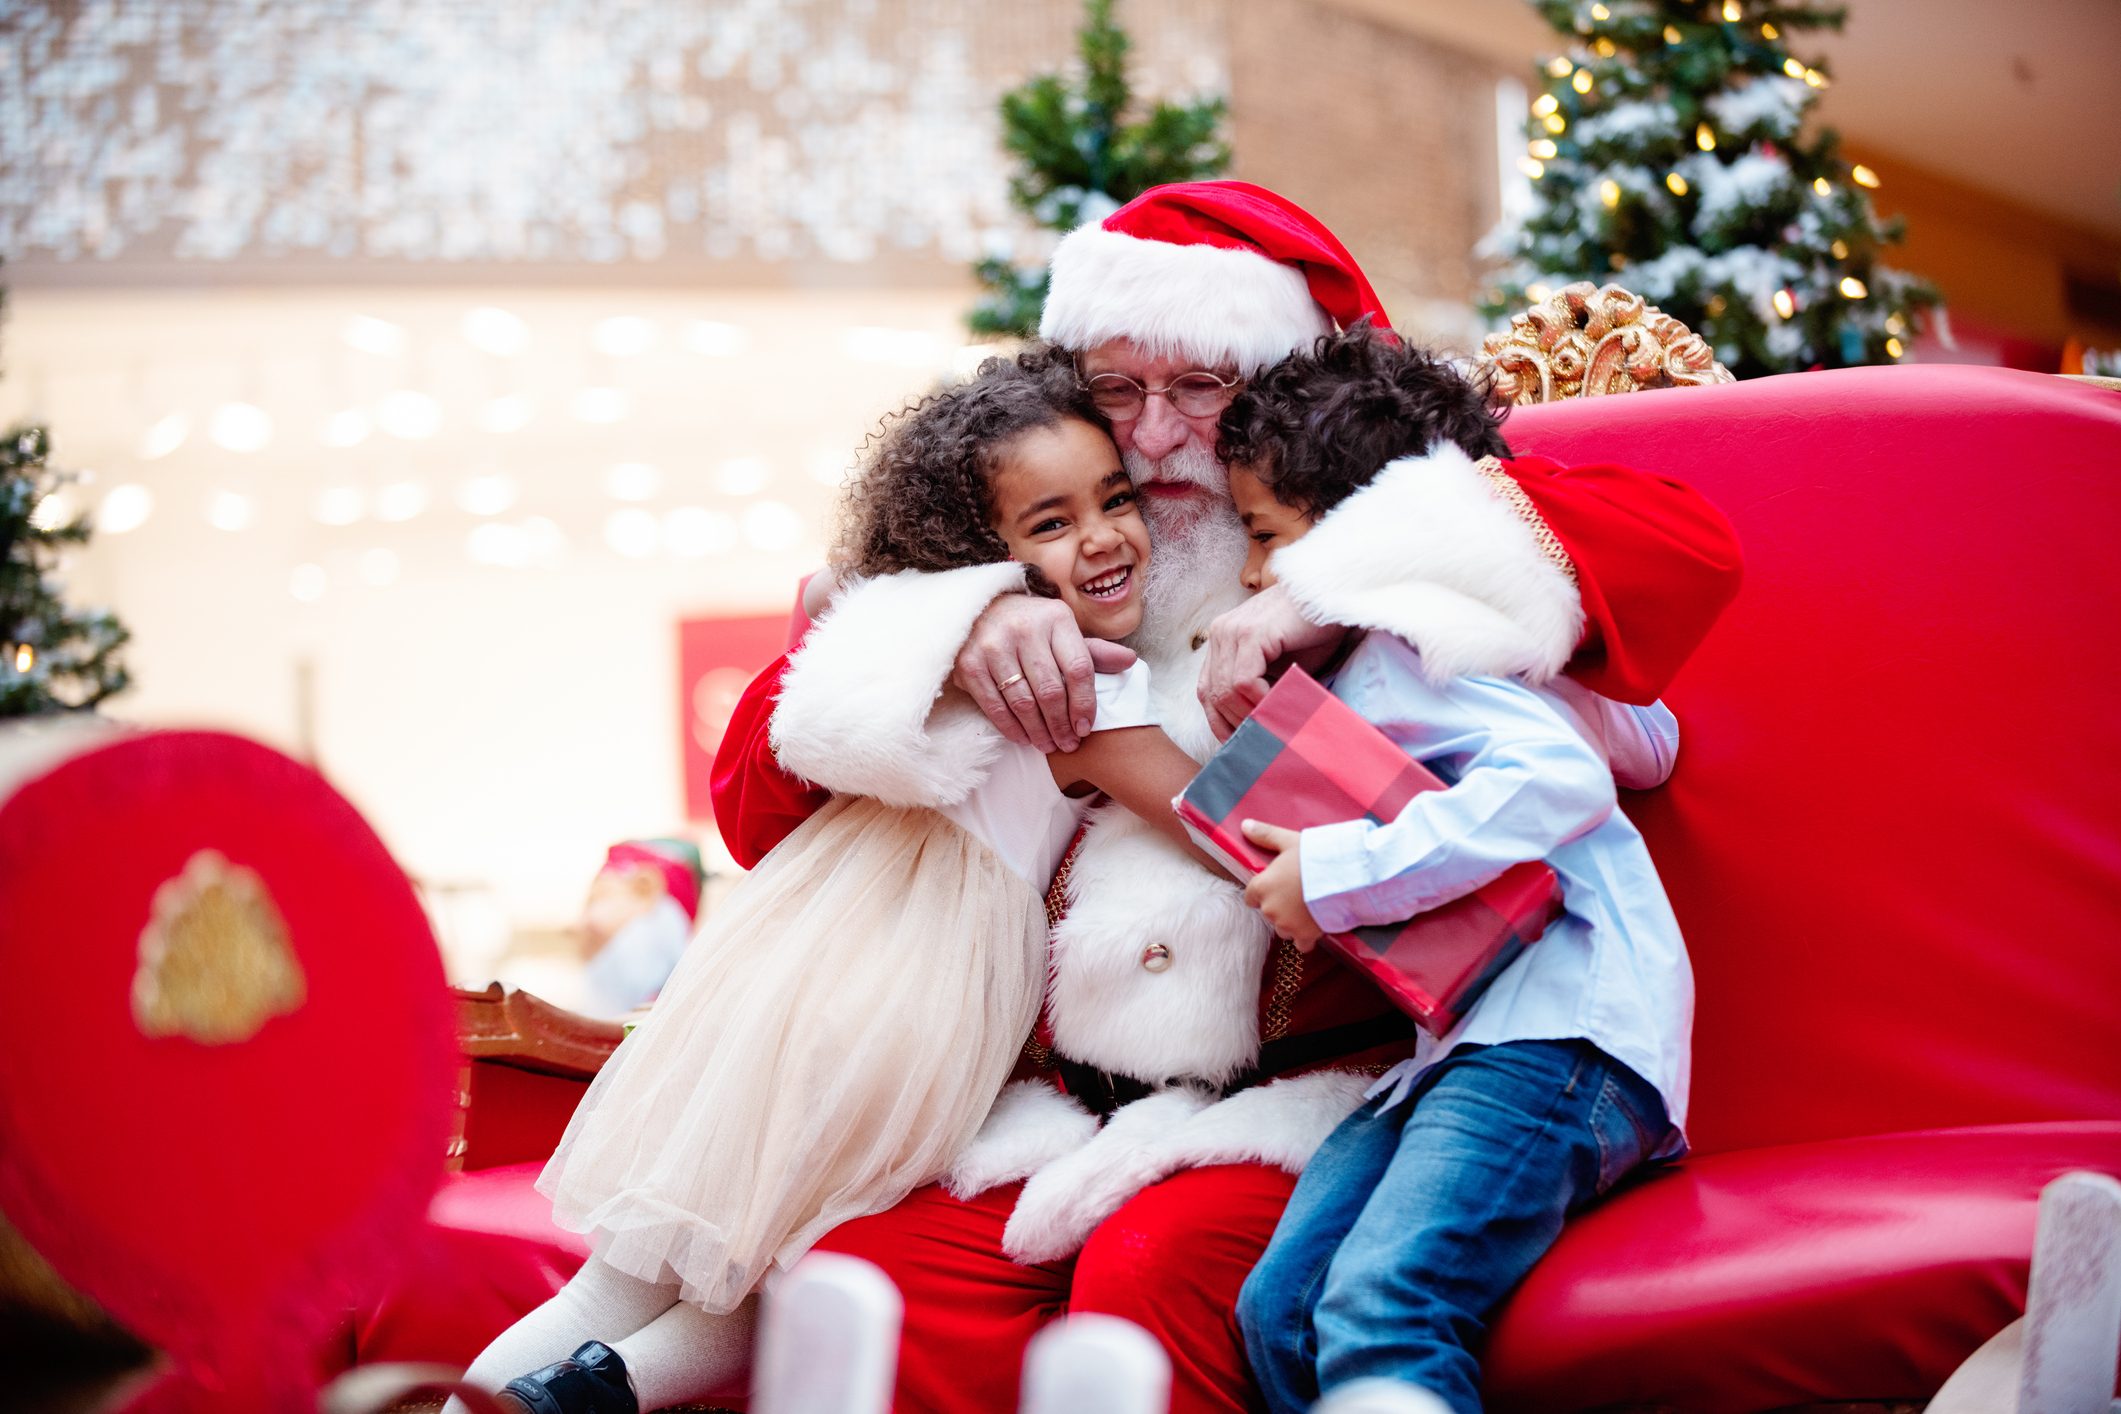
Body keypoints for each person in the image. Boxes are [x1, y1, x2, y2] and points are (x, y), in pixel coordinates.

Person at [711, 181, 1740, 1413]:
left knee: (1158, 1274)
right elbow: (753, 814)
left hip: (1319, 1091)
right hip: (1061, 1106)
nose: (1150, 439)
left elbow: (1685, 556)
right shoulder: (1033, 543)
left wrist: (1338, 579)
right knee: (871, 1277)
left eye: (1197, 389)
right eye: (1116, 389)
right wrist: (946, 619)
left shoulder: (1364, 535)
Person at [450, 349, 1207, 1414]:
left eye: (1115, 498)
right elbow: (1220, 821)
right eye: (1050, 523)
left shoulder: (907, 649)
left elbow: (824, 595)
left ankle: (558, 1394)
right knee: (795, 1258)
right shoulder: (1083, 689)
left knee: (671, 1270)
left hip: (780, 978)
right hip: (911, 1004)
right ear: (976, 554)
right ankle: (594, 1390)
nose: (1102, 536)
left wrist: (953, 600)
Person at [1217, 325, 1688, 1414]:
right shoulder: (1439, 647)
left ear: (1347, 538)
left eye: (1267, 536)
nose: (1249, 574)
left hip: (1560, 1041)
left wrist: (1336, 872)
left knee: (1385, 1302)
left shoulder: (1414, 647)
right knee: (1278, 1311)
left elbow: (1566, 778)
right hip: (1469, 1047)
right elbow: (1648, 739)